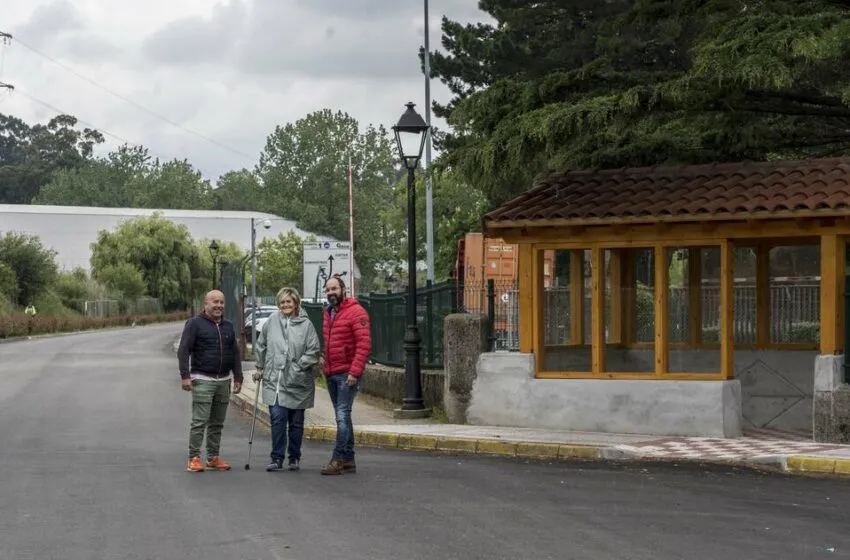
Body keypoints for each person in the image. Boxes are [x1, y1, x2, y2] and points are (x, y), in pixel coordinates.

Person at [252, 287, 320, 472]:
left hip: (298, 381)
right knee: (277, 419)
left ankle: (294, 457)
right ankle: (277, 458)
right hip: (275, 381)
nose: (285, 305)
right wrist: (259, 367)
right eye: (282, 302)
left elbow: (313, 350)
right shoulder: (272, 321)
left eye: (289, 301)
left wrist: (299, 366)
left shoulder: (306, 325)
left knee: (296, 423)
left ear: (296, 303)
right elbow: (261, 344)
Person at [177, 289, 243, 472]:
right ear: (205, 304)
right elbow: (183, 350)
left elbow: (235, 353)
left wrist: (238, 377)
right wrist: (185, 376)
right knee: (200, 421)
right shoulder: (194, 324)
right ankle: (194, 457)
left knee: (217, 422)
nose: (219, 306)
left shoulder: (228, 326)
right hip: (203, 379)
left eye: (221, 302)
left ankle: (213, 457)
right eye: (215, 302)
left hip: (223, 380)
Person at [320, 274, 371, 475]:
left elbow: (364, 345)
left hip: (347, 374)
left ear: (343, 290)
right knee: (343, 416)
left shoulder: (356, 312)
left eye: (334, 289)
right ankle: (349, 458)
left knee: (342, 416)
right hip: (331, 372)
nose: (331, 293)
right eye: (328, 290)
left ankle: (338, 459)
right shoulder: (329, 312)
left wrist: (354, 372)